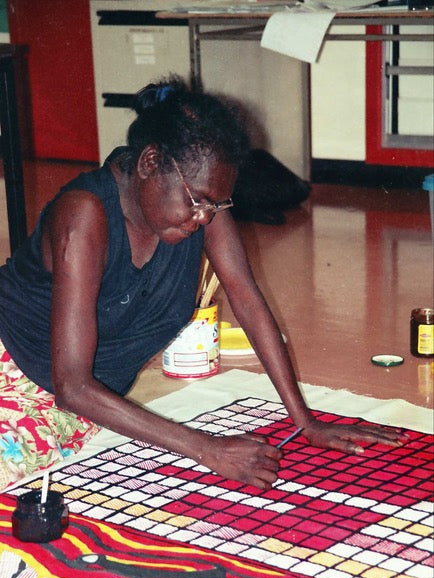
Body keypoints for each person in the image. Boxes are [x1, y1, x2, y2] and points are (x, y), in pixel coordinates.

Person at [0, 77, 404, 492]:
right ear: (149, 163)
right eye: (198, 201)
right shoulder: (84, 215)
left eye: (215, 204)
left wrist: (305, 421)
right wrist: (206, 448)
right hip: (17, 374)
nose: (204, 218)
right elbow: (73, 386)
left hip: (85, 402)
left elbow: (248, 302)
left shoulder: (200, 210)